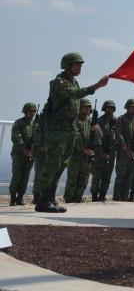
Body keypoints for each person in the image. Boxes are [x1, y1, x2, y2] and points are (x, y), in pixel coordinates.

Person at [32, 52, 109, 213]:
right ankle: (42, 200)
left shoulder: (74, 82)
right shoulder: (59, 82)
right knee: (52, 164)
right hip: (56, 131)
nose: (80, 67)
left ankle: (50, 198)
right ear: (68, 65)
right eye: (77, 64)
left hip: (68, 130)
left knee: (61, 165)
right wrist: (96, 86)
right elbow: (74, 95)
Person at [63, 98, 97, 203]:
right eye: (85, 106)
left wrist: (96, 130)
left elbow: (96, 137)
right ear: (80, 108)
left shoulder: (90, 121)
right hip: (75, 154)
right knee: (73, 178)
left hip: (87, 155)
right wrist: (83, 148)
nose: (87, 109)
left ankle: (78, 198)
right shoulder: (75, 120)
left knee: (84, 178)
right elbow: (75, 135)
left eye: (89, 107)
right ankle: (69, 199)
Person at [112, 98, 134, 201]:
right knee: (120, 176)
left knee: (129, 177)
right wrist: (125, 149)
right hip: (123, 152)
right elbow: (118, 134)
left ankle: (124, 198)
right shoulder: (121, 119)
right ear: (127, 107)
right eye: (132, 107)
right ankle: (116, 198)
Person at [9, 102, 36, 206]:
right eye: (30, 111)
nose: (32, 113)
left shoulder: (36, 124)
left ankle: (20, 197)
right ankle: (13, 197)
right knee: (17, 175)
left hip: (30, 154)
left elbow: (38, 138)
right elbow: (16, 138)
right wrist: (24, 149)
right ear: (25, 111)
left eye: (34, 111)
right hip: (19, 154)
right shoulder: (18, 123)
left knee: (25, 176)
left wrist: (32, 150)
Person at [90, 100, 117, 201]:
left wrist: (113, 137)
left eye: (111, 108)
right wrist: (100, 152)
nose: (110, 109)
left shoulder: (116, 121)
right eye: (108, 107)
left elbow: (119, 136)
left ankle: (102, 196)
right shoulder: (99, 121)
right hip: (99, 152)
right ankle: (94, 196)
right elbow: (96, 136)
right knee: (96, 176)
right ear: (104, 108)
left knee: (107, 176)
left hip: (111, 152)